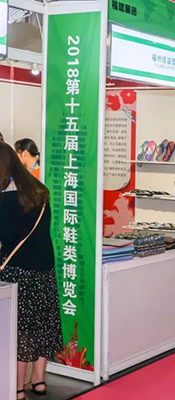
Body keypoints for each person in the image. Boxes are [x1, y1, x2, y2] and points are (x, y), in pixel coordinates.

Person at [0, 142, 63, 400]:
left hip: (17, 271)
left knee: (19, 331)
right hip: (44, 268)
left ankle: (16, 388)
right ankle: (38, 381)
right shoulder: (40, 191)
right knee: (42, 324)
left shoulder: (5, 199)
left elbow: (6, 237)